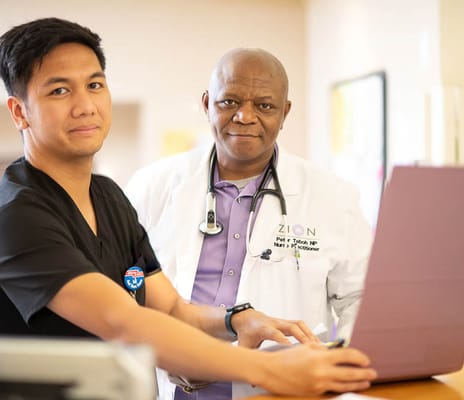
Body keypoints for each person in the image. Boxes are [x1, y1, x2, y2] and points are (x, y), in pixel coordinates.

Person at [0, 17, 376, 398]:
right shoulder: (17, 217)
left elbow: (165, 305)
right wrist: (272, 370)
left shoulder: (107, 197)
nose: (85, 106)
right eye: (59, 91)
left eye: (94, 85)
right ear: (19, 111)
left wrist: (238, 318)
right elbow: (123, 321)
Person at [125, 48, 374, 399]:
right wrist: (163, 350)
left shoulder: (333, 196)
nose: (244, 116)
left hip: (282, 391)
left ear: (285, 112)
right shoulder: (152, 186)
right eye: (229, 102)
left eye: (265, 105)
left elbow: (359, 298)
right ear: (206, 103)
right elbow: (124, 286)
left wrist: (340, 371)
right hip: (172, 387)